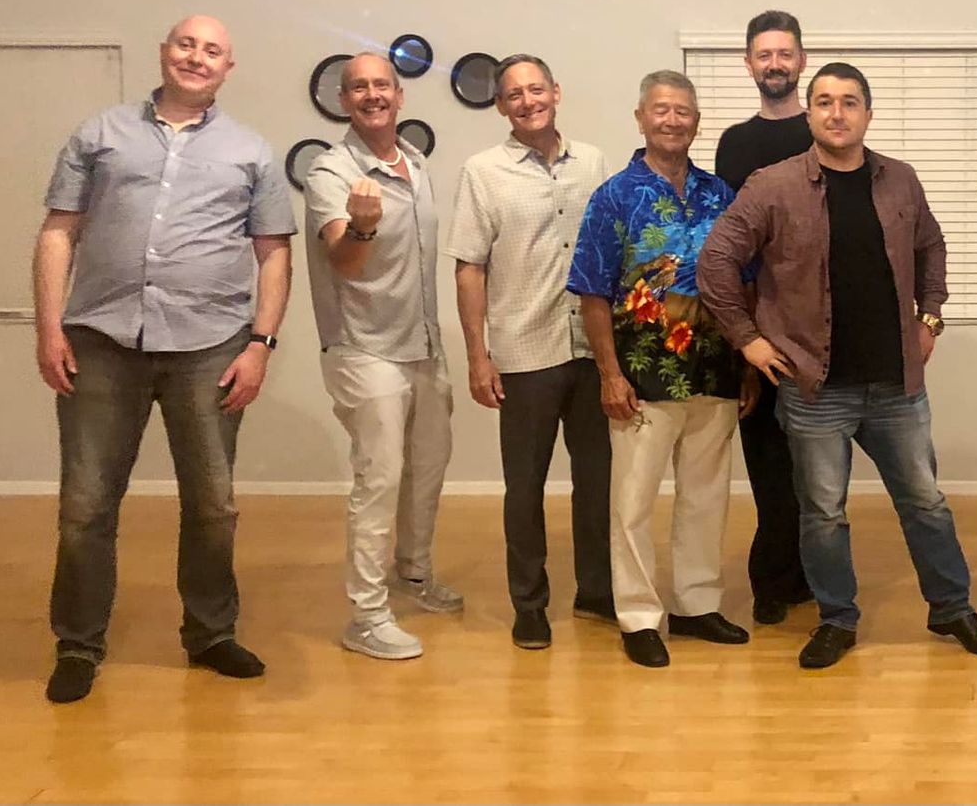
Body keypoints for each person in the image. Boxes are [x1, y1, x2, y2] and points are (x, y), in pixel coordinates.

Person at [698, 62, 977, 669]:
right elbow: (715, 262)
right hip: (815, 388)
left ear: (867, 113)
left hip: (896, 383)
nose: (836, 113)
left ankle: (952, 609)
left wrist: (932, 317)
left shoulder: (900, 180)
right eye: (823, 102)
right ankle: (837, 620)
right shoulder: (772, 185)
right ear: (809, 114)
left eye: (848, 102)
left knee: (925, 502)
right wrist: (749, 341)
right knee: (822, 513)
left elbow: (932, 246)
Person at [36, 14, 294, 703]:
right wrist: (49, 328)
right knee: (86, 506)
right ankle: (78, 644)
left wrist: (261, 345)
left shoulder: (252, 152)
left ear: (228, 68)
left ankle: (210, 634)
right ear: (164, 52)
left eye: (212, 50)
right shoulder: (99, 135)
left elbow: (274, 252)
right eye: (187, 44)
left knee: (213, 505)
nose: (196, 57)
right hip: (100, 343)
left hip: (209, 348)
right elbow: (58, 233)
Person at [567, 70, 753, 668]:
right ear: (641, 116)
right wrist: (609, 374)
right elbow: (592, 292)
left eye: (684, 112)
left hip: (716, 371)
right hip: (643, 374)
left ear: (696, 122)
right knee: (634, 502)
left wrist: (747, 364)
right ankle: (640, 615)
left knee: (706, 497)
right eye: (662, 110)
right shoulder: (614, 196)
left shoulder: (721, 195)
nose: (673, 121)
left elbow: (743, 283)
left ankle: (697, 605)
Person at [448, 53, 613, 649]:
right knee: (525, 488)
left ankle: (598, 592)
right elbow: (469, 268)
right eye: (513, 94)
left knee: (598, 483)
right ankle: (530, 604)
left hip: (593, 351)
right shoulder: (482, 171)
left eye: (536, 89)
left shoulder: (593, 163)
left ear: (556, 92)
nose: (527, 100)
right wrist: (478, 355)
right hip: (524, 352)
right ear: (501, 106)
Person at [305, 52, 462, 660]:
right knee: (380, 478)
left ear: (399, 96)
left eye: (381, 85)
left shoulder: (415, 163)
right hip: (363, 348)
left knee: (428, 465)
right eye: (358, 88)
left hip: (423, 344)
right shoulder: (331, 171)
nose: (372, 95)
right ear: (345, 100)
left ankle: (414, 573)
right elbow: (343, 259)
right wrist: (364, 225)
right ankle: (366, 616)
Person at [713, 10, 815, 624]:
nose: (775, 63)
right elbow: (729, 249)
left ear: (801, 59)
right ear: (748, 64)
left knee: (818, 474)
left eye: (785, 53)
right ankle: (772, 582)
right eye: (764, 54)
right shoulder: (735, 144)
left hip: (820, 331)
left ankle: (814, 575)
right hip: (756, 332)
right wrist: (742, 340)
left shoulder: (826, 129)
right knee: (771, 469)